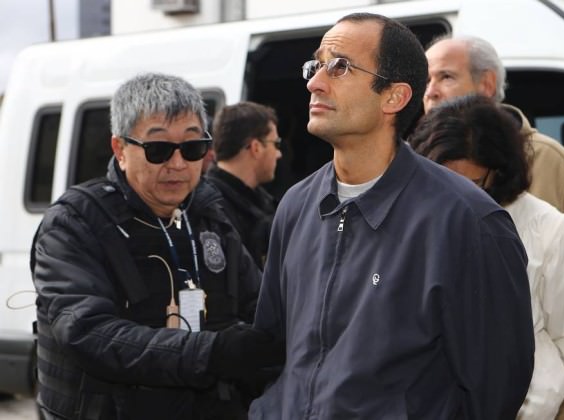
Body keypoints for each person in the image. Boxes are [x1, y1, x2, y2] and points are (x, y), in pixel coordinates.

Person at [249, 13, 534, 419]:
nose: (315, 82)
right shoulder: (296, 207)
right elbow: (272, 351)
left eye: (340, 67)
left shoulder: (466, 222)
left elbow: (494, 388)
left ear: (394, 97)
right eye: (317, 65)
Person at [30, 72, 283, 419]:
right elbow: (87, 332)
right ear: (120, 149)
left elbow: (260, 306)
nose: (177, 164)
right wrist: (212, 352)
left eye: (192, 148)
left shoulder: (211, 217)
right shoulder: (75, 223)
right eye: (158, 149)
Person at [423, 35, 564, 420]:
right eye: (426, 79)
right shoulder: (413, 191)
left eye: (445, 76)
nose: (430, 91)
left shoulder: (555, 169)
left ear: (487, 83)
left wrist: (537, 397)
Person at [206, 102, 282, 270]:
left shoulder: (261, 203)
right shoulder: (212, 210)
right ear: (256, 148)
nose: (279, 154)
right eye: (276, 144)